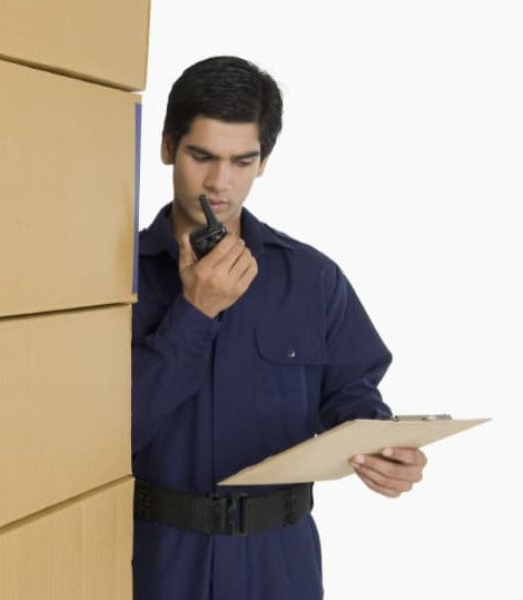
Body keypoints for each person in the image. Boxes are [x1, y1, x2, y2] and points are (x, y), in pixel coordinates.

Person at [131, 55, 428, 600]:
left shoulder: (311, 278)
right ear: (168, 146)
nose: (220, 183)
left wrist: (384, 453)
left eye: (243, 161)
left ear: (263, 161)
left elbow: (353, 397)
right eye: (202, 156)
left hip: (279, 564)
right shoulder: (110, 280)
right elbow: (95, 436)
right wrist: (194, 314)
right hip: (157, 559)